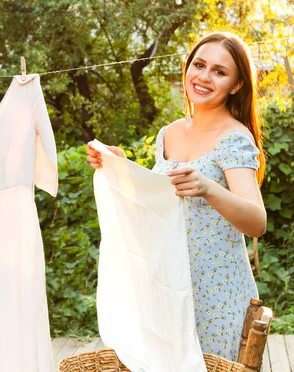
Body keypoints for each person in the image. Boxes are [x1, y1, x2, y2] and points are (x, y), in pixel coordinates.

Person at [86, 31, 267, 361]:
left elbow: (256, 222)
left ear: (236, 85)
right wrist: (120, 167)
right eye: (199, 64)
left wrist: (209, 189)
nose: (204, 76)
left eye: (220, 71)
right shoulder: (168, 133)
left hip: (216, 296)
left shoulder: (234, 138)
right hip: (168, 286)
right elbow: (158, 206)